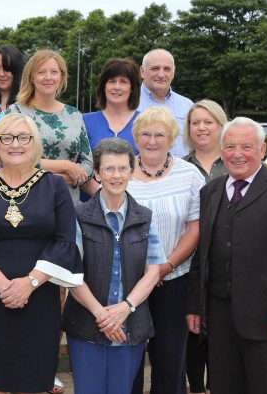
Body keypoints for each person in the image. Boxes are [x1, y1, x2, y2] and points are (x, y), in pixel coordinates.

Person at [0, 113, 83, 393]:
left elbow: (64, 243)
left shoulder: (55, 185)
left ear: (34, 143)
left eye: (24, 137)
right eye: (7, 137)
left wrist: (29, 283)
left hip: (38, 299)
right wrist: (6, 287)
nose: (15, 144)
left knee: (32, 380)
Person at [187, 117, 267, 394]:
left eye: (246, 146)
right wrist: (195, 306)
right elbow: (202, 256)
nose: (237, 154)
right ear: (221, 151)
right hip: (219, 319)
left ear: (262, 150)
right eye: (230, 146)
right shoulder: (210, 190)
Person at [63, 138, 164, 394]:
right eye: (108, 169)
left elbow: (153, 272)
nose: (116, 175)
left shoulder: (145, 217)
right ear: (97, 173)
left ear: (132, 171)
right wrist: (103, 315)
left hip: (131, 326)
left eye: (122, 168)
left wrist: (125, 308)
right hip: (87, 326)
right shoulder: (78, 216)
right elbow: (72, 275)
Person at [127, 107, 205, 394]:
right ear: (135, 137)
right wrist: (145, 272)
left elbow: (195, 228)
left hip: (174, 281)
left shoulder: (190, 175)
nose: (152, 140)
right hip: (128, 282)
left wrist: (165, 266)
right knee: (129, 361)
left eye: (159, 134)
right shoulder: (121, 171)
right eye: (145, 134)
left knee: (170, 361)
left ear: (172, 138)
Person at [181, 99, 228, 394]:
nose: (201, 127)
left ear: (221, 125)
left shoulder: (235, 163)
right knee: (193, 332)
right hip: (190, 265)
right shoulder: (180, 167)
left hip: (226, 265)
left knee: (222, 336)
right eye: (195, 122)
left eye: (208, 121)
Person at [7, 49, 96, 203]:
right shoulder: (16, 112)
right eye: (41, 72)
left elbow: (88, 164)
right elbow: (8, 158)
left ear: (61, 77)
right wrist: (66, 166)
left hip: (67, 204)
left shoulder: (74, 115)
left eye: (54, 72)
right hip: (26, 203)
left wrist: (59, 179)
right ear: (32, 77)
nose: (48, 77)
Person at [82, 57, 142, 202]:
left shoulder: (145, 122)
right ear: (104, 86)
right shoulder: (83, 121)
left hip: (135, 203)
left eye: (123, 82)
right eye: (112, 81)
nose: (117, 87)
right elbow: (78, 164)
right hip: (90, 204)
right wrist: (102, 194)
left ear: (132, 88)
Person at [136, 49, 193, 157]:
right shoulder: (128, 103)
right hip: (140, 172)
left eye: (167, 69)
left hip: (181, 172)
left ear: (173, 72)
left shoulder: (188, 106)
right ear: (142, 72)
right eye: (155, 68)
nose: (161, 74)